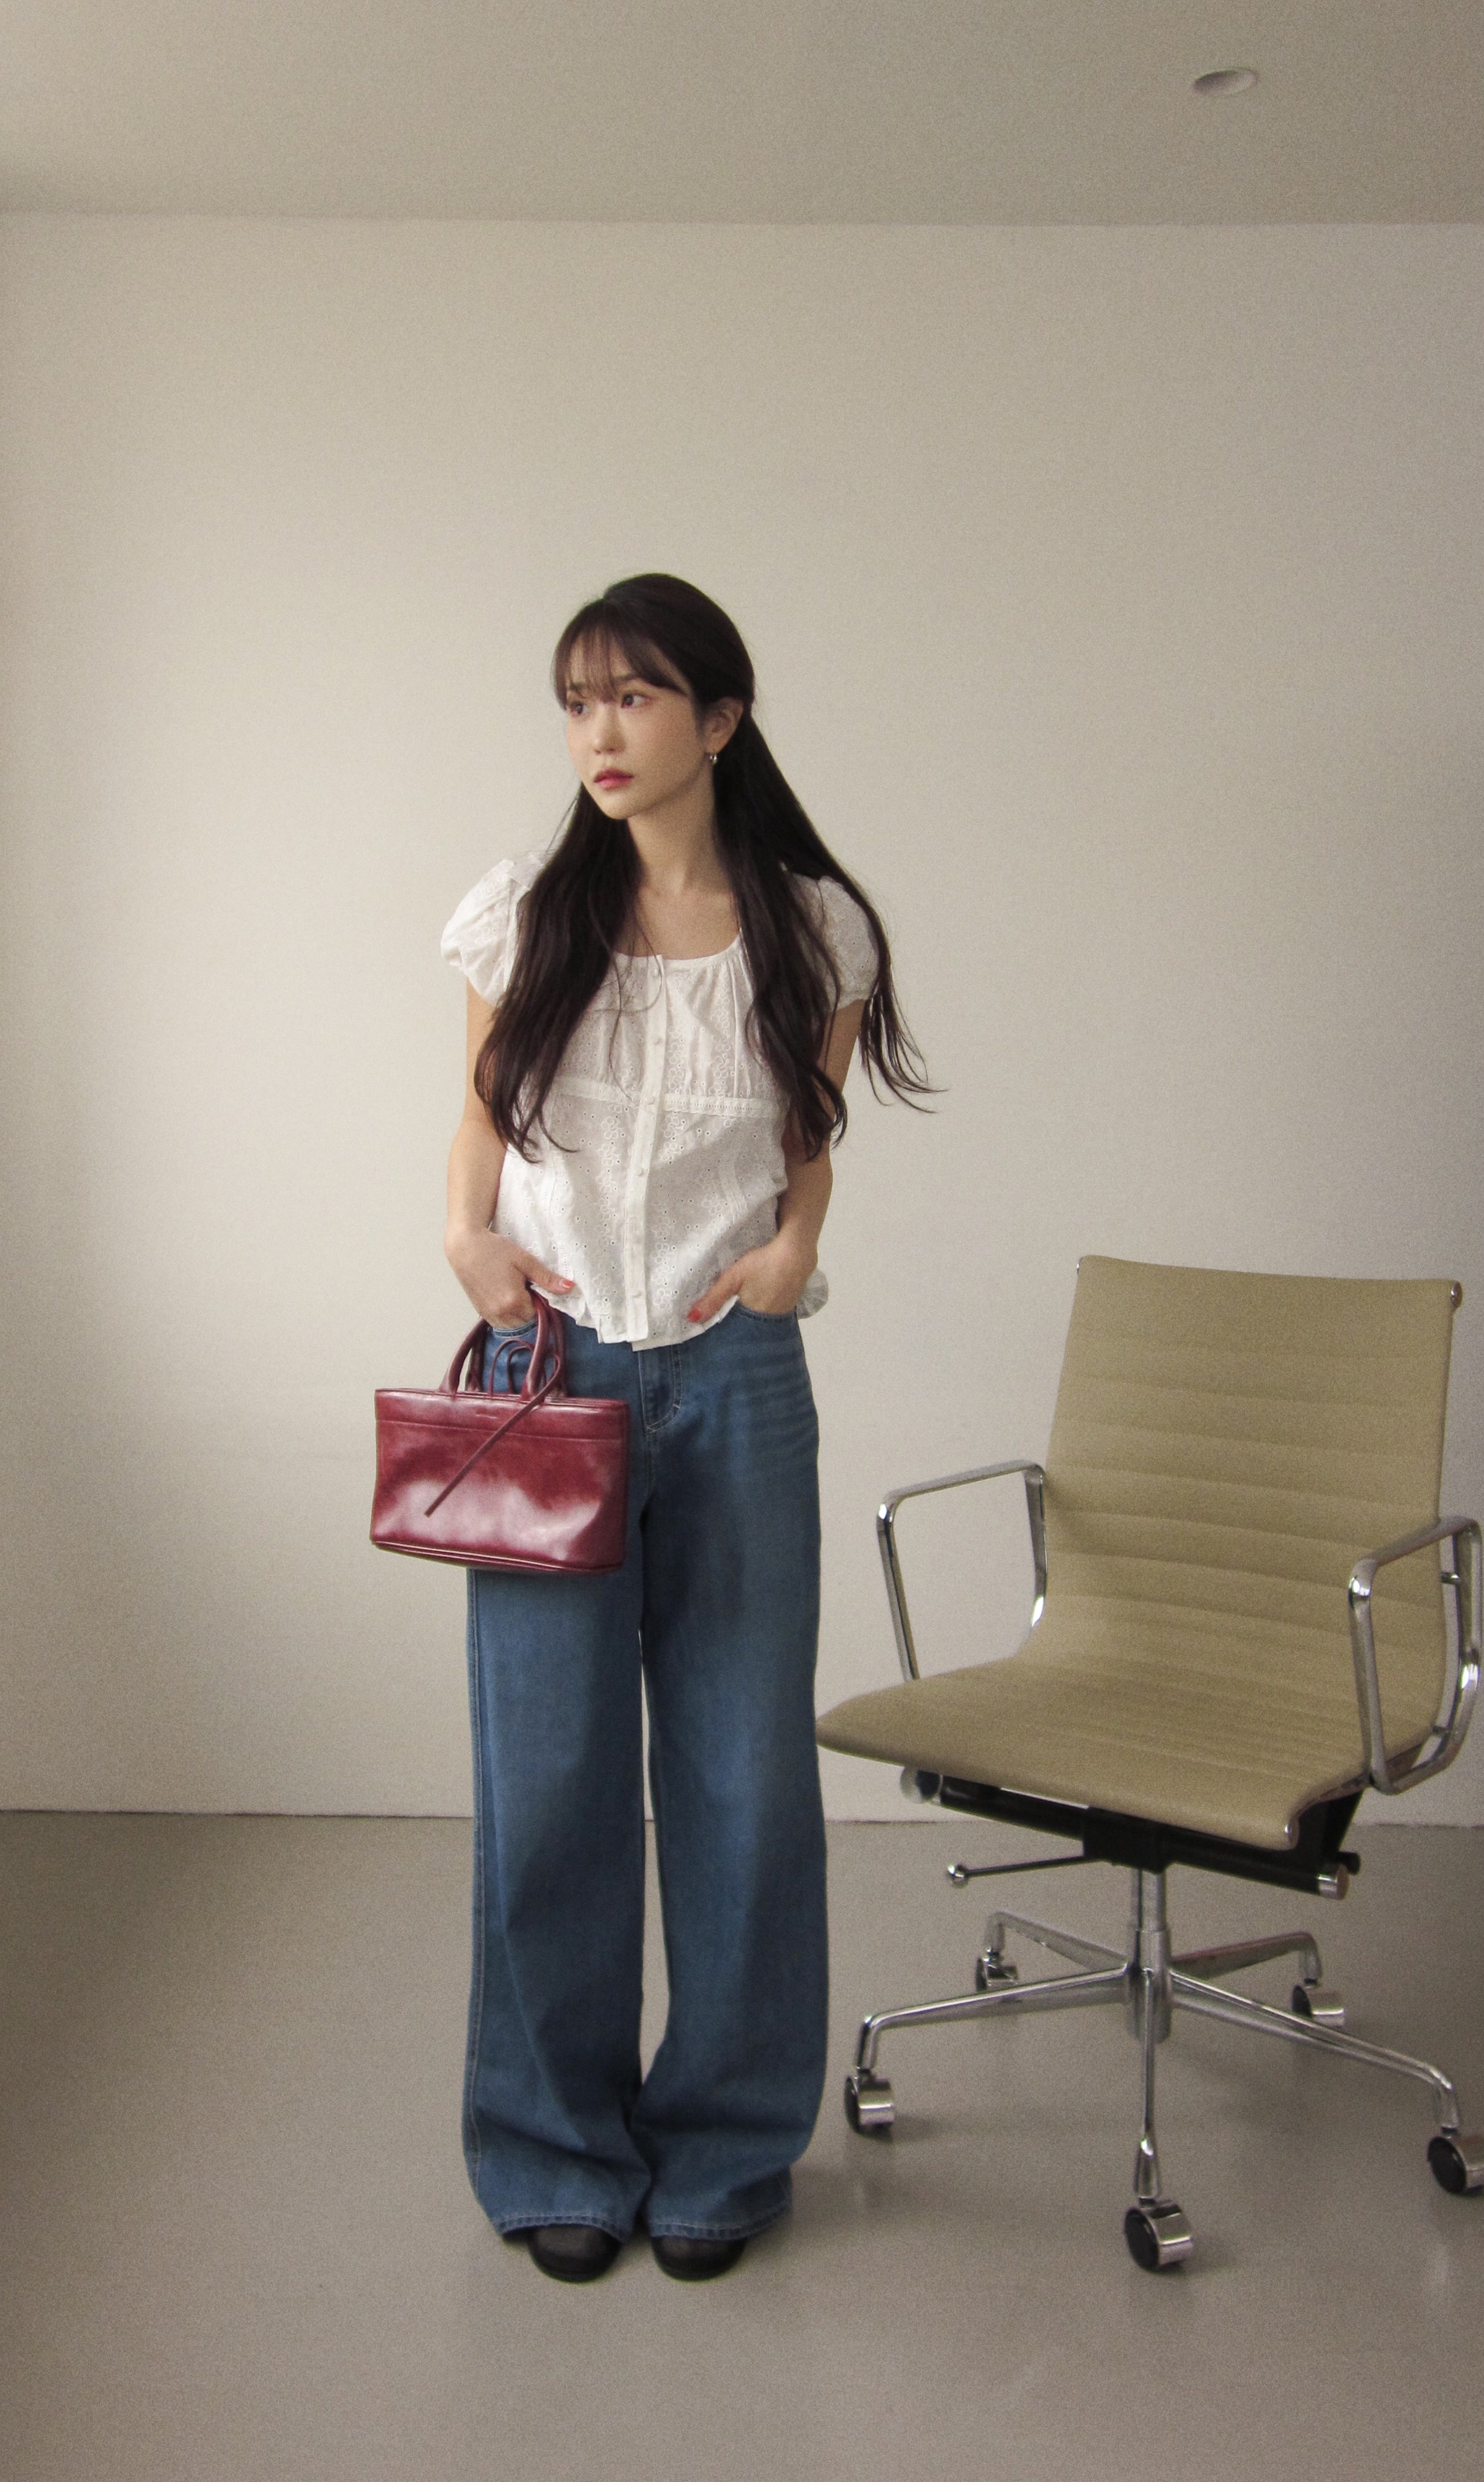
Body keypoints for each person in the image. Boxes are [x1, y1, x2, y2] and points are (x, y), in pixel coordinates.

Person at [440, 573, 928, 2284]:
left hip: (733, 1378)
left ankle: (724, 2144)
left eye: (635, 698)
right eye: (578, 701)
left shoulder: (812, 929)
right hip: (550, 1371)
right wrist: (466, 1239)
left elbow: (808, 1132)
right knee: (547, 1775)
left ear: (717, 721)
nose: (600, 733)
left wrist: (793, 1253)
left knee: (741, 1773)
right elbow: (480, 1111)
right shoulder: (524, 916)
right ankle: (554, 2150)